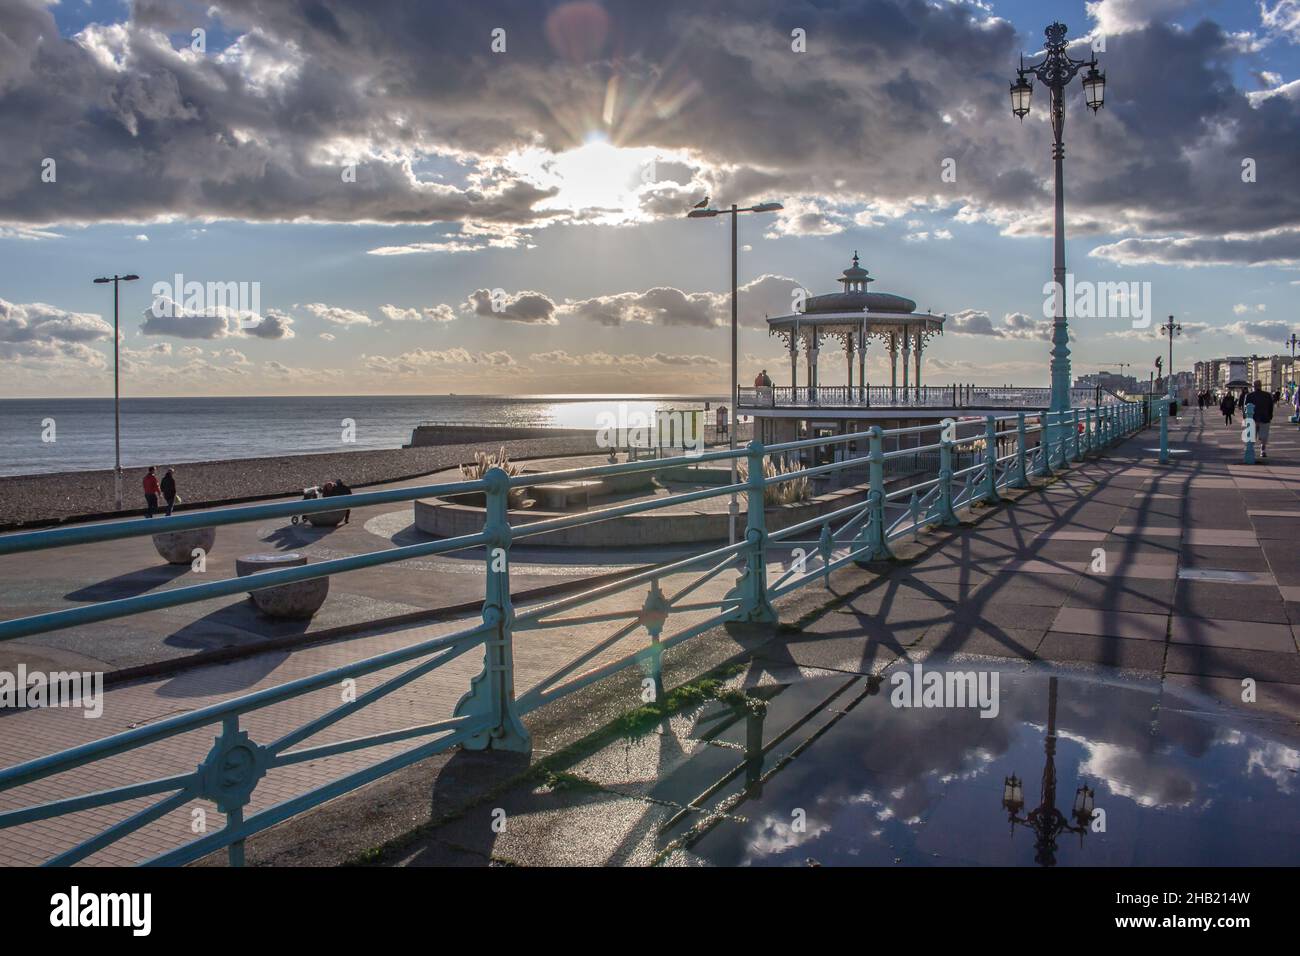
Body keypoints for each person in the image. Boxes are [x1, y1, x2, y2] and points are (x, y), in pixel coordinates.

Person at [1246, 379, 1275, 458]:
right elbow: (1271, 407)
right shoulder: (1267, 395)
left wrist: (1246, 418)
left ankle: (1251, 450)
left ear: (1254, 386)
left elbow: (1245, 408)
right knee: (1264, 436)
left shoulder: (1249, 396)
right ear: (1261, 386)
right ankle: (1263, 450)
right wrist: (1270, 416)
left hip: (1253, 419)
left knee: (1252, 436)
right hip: (1264, 418)